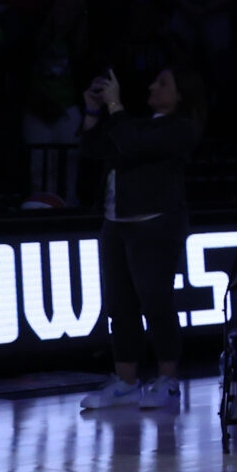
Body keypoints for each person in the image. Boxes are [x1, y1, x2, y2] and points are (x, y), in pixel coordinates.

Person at [76, 60, 206, 412]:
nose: (151, 88)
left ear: (181, 95)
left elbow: (132, 147)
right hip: (115, 221)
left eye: (162, 83)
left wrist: (115, 107)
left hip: (155, 223)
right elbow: (93, 148)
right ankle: (126, 383)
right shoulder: (134, 126)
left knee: (155, 301)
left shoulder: (181, 128)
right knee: (120, 306)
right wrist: (92, 109)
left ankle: (167, 380)